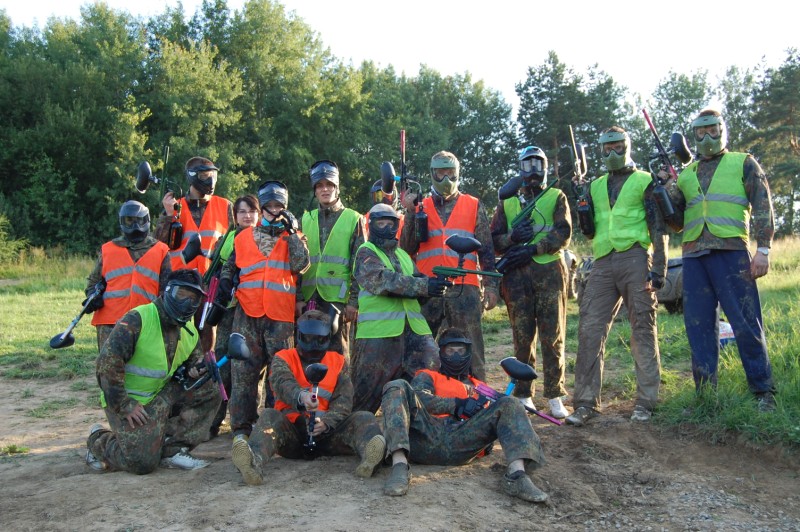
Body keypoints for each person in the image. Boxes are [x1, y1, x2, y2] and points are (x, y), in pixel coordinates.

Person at [667, 108, 776, 411]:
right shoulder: (686, 173)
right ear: (694, 135)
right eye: (701, 132)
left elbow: (763, 205)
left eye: (712, 130)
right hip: (693, 256)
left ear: (722, 130)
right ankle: (705, 397)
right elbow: (676, 222)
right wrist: (664, 190)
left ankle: (763, 392)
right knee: (699, 327)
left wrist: (763, 250)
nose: (707, 137)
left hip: (732, 253)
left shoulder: (743, 162)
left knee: (746, 323)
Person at [566, 126, 667, 426]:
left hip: (636, 258)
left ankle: (646, 402)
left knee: (643, 327)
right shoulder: (595, 185)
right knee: (589, 328)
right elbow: (589, 231)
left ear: (627, 146)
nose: (612, 152)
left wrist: (659, 268)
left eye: (617, 146)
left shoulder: (644, 180)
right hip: (602, 261)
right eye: (606, 148)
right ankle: (585, 403)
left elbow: (658, 226)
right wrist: (581, 201)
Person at [380, 327, 548, 502]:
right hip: (425, 436)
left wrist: (487, 436)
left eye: (460, 351)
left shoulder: (481, 388)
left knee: (510, 403)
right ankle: (399, 466)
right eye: (450, 351)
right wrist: (456, 404)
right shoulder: (428, 376)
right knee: (396, 385)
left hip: (461, 443)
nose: (455, 356)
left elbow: (491, 424)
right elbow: (419, 397)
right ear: (441, 352)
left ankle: (517, 476)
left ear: (468, 352)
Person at [85, 269, 221, 474]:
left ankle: (173, 450)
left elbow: (191, 363)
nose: (187, 304)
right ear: (167, 291)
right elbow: (107, 365)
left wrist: (197, 369)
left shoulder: (189, 330)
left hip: (160, 396)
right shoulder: (138, 319)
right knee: (141, 463)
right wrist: (124, 405)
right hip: (129, 400)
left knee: (210, 390)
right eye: (181, 295)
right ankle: (99, 440)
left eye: (193, 299)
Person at [230, 310, 386, 486]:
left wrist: (326, 423)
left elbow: (344, 400)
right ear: (299, 336)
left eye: (319, 340)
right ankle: (252, 461)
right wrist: (301, 397)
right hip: (292, 433)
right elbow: (282, 383)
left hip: (328, 433)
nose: (313, 346)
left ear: (327, 338)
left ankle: (371, 459)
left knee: (364, 417)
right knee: (269, 416)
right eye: (309, 339)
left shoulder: (337, 362)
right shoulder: (283, 358)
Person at [216, 181, 310, 446]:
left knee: (279, 374)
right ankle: (241, 429)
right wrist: (225, 281)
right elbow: (230, 266)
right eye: (269, 206)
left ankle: (274, 426)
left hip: (280, 317)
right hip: (247, 314)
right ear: (262, 209)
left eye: (279, 206)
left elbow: (301, 265)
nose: (274, 211)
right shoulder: (243, 236)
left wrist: (292, 233)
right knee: (243, 373)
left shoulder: (295, 237)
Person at [399, 151, 500, 380]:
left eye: (450, 173)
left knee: (472, 348)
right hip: (428, 289)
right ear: (432, 174)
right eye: (440, 173)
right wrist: (410, 212)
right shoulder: (420, 206)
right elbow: (406, 248)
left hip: (465, 288)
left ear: (458, 174)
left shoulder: (473, 204)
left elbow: (486, 249)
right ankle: (417, 393)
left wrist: (491, 286)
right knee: (419, 348)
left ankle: (477, 393)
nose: (446, 178)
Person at [490, 146, 572, 419]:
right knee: (522, 336)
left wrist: (535, 248)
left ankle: (555, 394)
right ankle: (524, 393)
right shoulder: (507, 201)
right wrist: (513, 238)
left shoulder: (556, 196)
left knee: (553, 335)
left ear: (546, 167)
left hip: (550, 272)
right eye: (527, 164)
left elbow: (563, 233)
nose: (533, 170)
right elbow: (494, 239)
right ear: (519, 168)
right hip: (516, 276)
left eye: (538, 163)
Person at [350, 204, 449, 413]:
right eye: (381, 223)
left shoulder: (403, 255)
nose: (386, 228)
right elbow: (382, 281)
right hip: (378, 335)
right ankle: (354, 430)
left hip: (415, 332)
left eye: (390, 223)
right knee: (365, 396)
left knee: (427, 384)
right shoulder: (366, 252)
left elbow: (418, 284)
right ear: (371, 225)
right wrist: (424, 286)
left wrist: (436, 285)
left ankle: (423, 428)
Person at [155, 156, 234, 352]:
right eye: (205, 175)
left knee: (207, 329)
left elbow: (238, 238)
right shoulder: (175, 206)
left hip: (211, 281)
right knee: (175, 331)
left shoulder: (225, 206)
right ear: (192, 177)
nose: (211, 180)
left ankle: (205, 366)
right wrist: (169, 215)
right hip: (180, 281)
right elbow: (159, 244)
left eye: (213, 175)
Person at [296, 160, 366, 360]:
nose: (325, 189)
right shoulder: (305, 219)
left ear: (337, 188)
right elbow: (297, 263)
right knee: (307, 353)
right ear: (314, 190)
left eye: (329, 185)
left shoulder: (354, 218)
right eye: (320, 186)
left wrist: (353, 302)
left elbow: (360, 264)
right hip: (309, 299)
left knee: (337, 357)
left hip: (338, 301)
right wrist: (298, 298)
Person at [85, 200, 171, 351]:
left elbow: (166, 290)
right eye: (129, 221)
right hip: (110, 323)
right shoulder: (108, 249)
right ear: (122, 222)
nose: (135, 226)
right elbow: (93, 282)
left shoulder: (161, 250)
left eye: (139, 220)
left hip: (146, 321)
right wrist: (93, 296)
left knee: (143, 365)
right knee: (109, 365)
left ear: (146, 220)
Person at [207, 195, 260, 437]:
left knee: (251, 365)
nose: (247, 216)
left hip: (253, 310)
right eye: (241, 211)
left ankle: (249, 418)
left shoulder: (264, 238)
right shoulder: (227, 238)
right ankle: (213, 419)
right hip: (228, 309)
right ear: (235, 216)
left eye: (251, 211)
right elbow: (215, 271)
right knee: (223, 363)